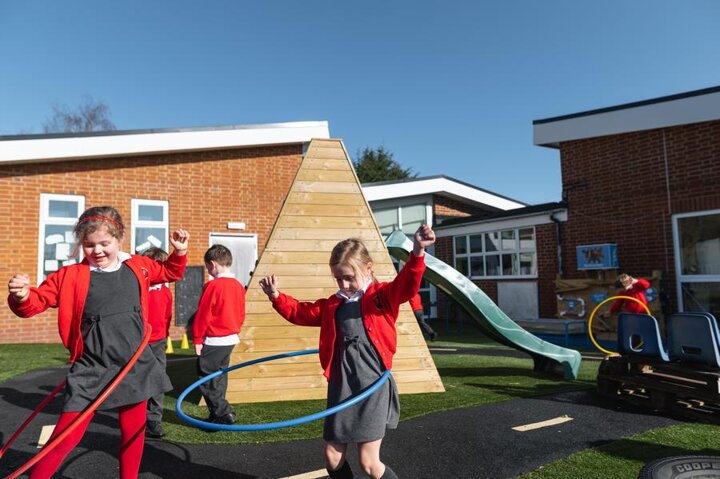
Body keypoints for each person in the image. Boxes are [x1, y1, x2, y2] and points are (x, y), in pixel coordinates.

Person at [7, 206, 188, 479]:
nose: (97, 250)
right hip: (91, 367)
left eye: (105, 243)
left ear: (119, 238)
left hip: (133, 366)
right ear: (81, 244)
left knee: (133, 434)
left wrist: (180, 253)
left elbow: (169, 273)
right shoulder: (70, 276)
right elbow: (35, 302)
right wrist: (21, 296)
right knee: (65, 437)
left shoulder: (138, 266)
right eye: (89, 245)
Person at [259, 224, 436, 479]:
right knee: (332, 458)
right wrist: (276, 296)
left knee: (369, 463)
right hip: (342, 388)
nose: (344, 284)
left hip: (372, 386)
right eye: (338, 278)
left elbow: (407, 285)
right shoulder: (333, 304)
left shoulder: (382, 297)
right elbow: (300, 312)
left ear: (368, 268)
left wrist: (418, 251)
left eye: (349, 277)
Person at [192, 244, 246, 425]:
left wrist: (197, 339)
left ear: (213, 264)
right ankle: (216, 415)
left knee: (205, 376)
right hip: (230, 338)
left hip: (215, 338)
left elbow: (203, 314)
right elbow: (241, 312)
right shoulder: (238, 285)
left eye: (208, 267)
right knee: (220, 376)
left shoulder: (213, 286)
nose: (208, 270)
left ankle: (223, 412)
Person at [141, 247, 174, 439]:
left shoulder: (165, 292)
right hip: (139, 343)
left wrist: (165, 337)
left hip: (158, 342)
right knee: (139, 380)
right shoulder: (138, 290)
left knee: (157, 379)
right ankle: (138, 417)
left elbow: (167, 316)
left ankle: (153, 420)